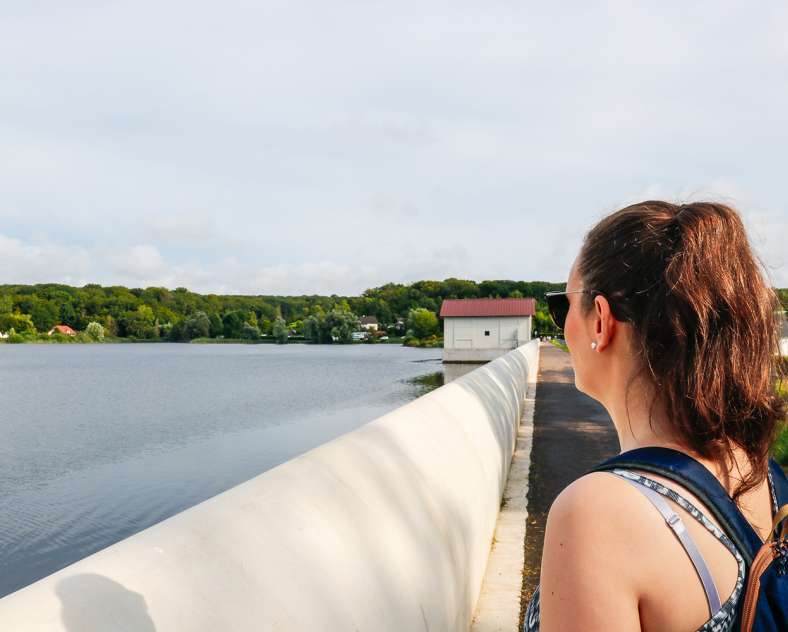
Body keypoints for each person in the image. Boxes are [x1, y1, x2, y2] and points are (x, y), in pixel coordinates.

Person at [523, 201, 786, 631]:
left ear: (601, 322)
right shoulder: (761, 471)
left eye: (561, 306)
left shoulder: (596, 515)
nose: (560, 325)